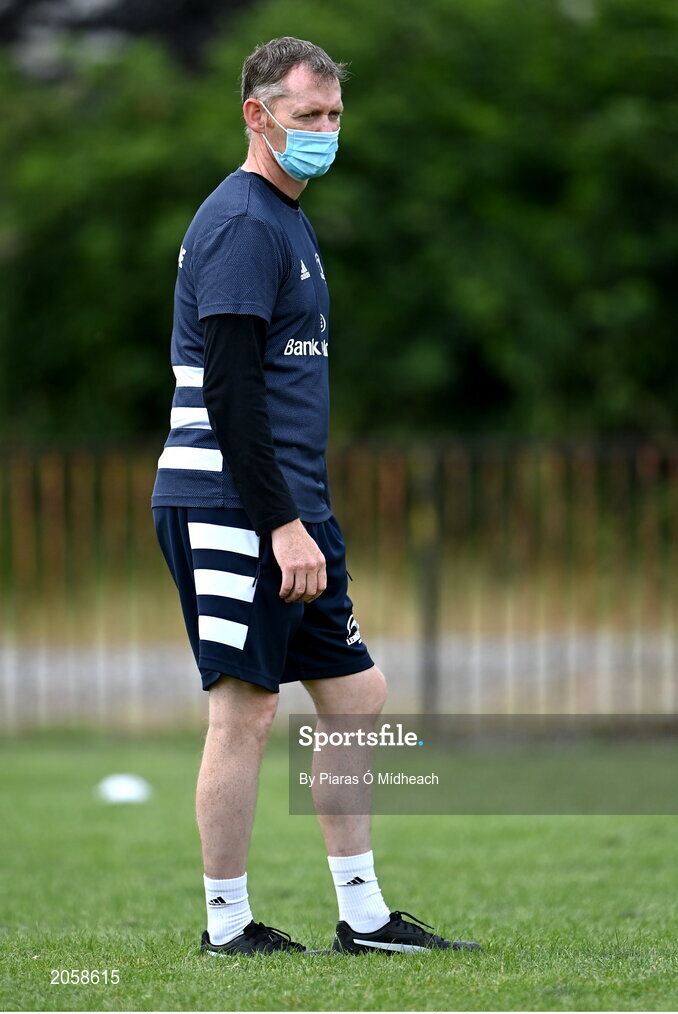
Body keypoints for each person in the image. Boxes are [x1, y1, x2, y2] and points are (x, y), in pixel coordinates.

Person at [151, 35, 479, 957]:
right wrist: (283, 522)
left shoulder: (289, 217)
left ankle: (365, 918)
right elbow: (229, 393)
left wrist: (304, 517)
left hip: (291, 507)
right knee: (247, 709)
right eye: (307, 118)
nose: (325, 133)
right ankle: (227, 927)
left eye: (334, 116)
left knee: (357, 695)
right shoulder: (244, 223)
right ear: (257, 116)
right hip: (232, 504)